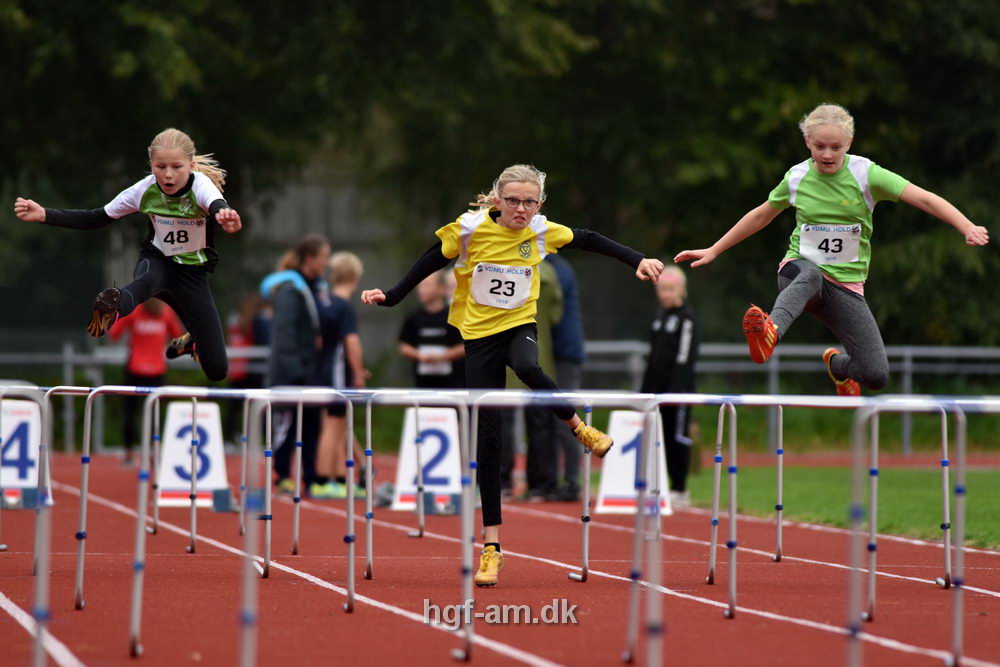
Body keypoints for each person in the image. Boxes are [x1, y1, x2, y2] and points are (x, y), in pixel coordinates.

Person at [361, 164, 664, 587]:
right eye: (514, 201)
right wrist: (392, 296)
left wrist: (638, 258)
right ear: (498, 200)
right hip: (478, 337)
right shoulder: (469, 229)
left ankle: (580, 428)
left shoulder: (541, 231)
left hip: (519, 324)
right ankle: (492, 547)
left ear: (540, 204)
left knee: (527, 366)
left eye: (530, 202)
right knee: (490, 438)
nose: (521, 209)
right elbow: (430, 259)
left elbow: (590, 239)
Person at [675, 104, 989, 395]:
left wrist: (966, 226)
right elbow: (761, 215)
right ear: (807, 142)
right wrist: (715, 249)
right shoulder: (797, 177)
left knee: (876, 374)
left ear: (849, 143)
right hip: (798, 273)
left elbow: (924, 198)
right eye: (819, 146)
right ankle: (771, 332)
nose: (827, 154)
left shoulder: (866, 174)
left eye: (835, 147)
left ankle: (838, 367)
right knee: (812, 274)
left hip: (846, 287)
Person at [14, 128, 242, 381]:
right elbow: (96, 217)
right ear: (151, 165)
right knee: (146, 282)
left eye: (176, 167)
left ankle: (190, 342)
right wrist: (44, 214)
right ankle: (111, 306)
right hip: (158, 260)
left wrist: (224, 214)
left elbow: (215, 203)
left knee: (217, 370)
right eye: (160, 166)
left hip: (191, 276)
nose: (167, 175)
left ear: (190, 165)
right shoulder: (144, 189)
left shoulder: (200, 184)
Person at [268, 235, 329, 494]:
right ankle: (282, 475)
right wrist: (295, 371)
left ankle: (311, 477)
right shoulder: (291, 289)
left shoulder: (318, 287)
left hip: (312, 368)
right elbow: (284, 333)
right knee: (288, 425)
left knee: (312, 424)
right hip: (292, 372)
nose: (328, 262)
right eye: (324, 257)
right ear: (310, 259)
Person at [639, 266, 699, 506]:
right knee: (658, 437)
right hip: (656, 391)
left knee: (678, 438)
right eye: (662, 289)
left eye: (670, 289)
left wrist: (675, 390)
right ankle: (659, 484)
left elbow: (685, 356)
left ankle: (680, 488)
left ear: (682, 290)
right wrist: (645, 391)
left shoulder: (687, 318)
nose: (665, 294)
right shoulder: (658, 317)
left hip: (679, 392)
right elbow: (652, 357)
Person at [313, 252, 368, 499]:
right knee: (334, 427)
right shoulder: (343, 307)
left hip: (322, 368)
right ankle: (323, 480)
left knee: (334, 424)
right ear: (355, 277)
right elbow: (351, 342)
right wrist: (358, 372)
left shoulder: (323, 303)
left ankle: (338, 478)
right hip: (336, 372)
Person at [109, 298, 183, 465]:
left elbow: (113, 334)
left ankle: (130, 453)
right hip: (152, 371)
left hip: (138, 369)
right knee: (153, 413)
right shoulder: (165, 312)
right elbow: (178, 339)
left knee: (131, 412)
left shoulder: (137, 311)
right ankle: (152, 453)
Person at [546, 253, 586, 501]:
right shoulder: (556, 267)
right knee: (552, 418)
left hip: (564, 353)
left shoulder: (557, 270)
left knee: (566, 418)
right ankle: (555, 480)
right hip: (554, 352)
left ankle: (572, 481)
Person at [398, 271, 465, 388]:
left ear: (441, 289)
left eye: (427, 285)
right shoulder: (414, 318)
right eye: (420, 286)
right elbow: (404, 346)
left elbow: (465, 346)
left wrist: (442, 357)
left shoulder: (454, 316)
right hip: (423, 385)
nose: (421, 290)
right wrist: (420, 356)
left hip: (452, 385)